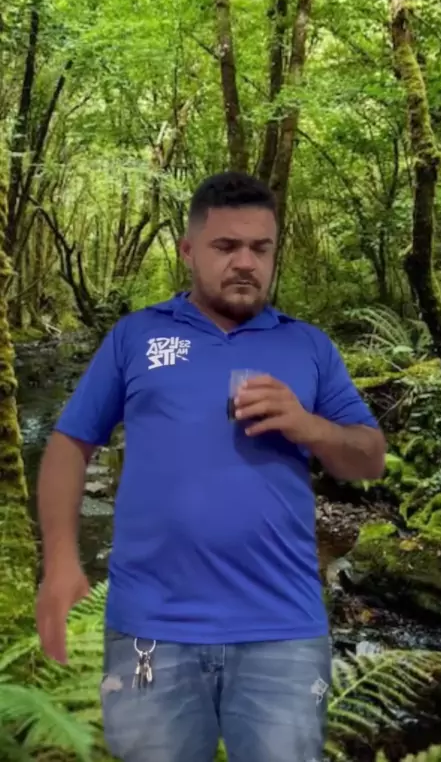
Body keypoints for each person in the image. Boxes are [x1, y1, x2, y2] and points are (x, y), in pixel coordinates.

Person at [36, 171, 386, 762]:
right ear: (189, 251)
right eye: (226, 246)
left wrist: (308, 425)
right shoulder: (136, 337)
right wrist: (63, 563)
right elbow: (70, 445)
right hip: (151, 627)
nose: (245, 262)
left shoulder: (308, 347)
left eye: (261, 248)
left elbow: (370, 457)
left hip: (283, 628)